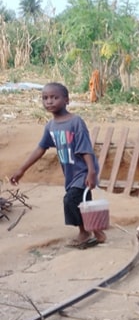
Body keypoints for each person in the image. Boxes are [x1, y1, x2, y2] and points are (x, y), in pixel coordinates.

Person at [10, 82, 106, 249]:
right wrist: (21, 170)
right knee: (80, 203)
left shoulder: (76, 122)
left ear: (67, 100)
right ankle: (95, 230)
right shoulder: (51, 127)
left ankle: (86, 232)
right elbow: (41, 148)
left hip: (82, 171)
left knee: (71, 200)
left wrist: (91, 171)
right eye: (45, 98)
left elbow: (85, 148)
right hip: (70, 173)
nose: (49, 101)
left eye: (55, 97)